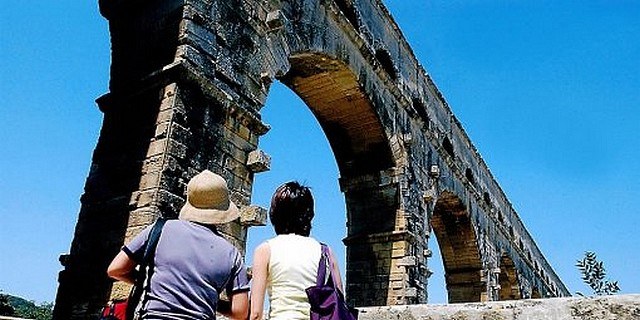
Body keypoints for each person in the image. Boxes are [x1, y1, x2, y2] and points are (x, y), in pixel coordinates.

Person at [107, 170, 249, 320]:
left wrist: (149, 281)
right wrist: (210, 300)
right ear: (223, 209)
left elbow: (115, 269)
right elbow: (240, 312)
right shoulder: (232, 254)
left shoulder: (160, 229)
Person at [250, 181, 344, 320]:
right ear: (309, 215)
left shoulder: (265, 250)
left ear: (275, 214)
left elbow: (256, 314)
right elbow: (340, 300)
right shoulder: (325, 251)